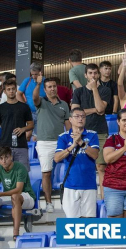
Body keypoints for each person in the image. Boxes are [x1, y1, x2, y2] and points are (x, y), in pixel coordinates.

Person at [71, 63, 111, 199]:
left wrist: (95, 89)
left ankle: (104, 198)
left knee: (101, 166)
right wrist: (94, 110)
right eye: (90, 73)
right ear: (85, 75)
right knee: (83, 166)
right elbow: (76, 113)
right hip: (83, 133)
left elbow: (101, 108)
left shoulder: (105, 90)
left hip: (100, 132)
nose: (93, 76)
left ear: (98, 74)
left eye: (95, 73)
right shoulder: (78, 92)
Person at [33, 74, 71, 213]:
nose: (52, 89)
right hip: (44, 143)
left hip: (61, 142)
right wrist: (37, 84)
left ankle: (68, 200)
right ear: (45, 89)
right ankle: (49, 203)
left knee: (70, 169)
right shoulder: (41, 102)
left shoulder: (64, 105)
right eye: (49, 87)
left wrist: (69, 140)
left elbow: (68, 124)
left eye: (54, 86)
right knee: (46, 173)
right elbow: (34, 98)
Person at [54, 108, 99, 218]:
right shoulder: (63, 137)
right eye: (77, 116)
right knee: (71, 222)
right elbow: (57, 158)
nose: (80, 119)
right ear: (70, 119)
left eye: (83, 116)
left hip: (89, 184)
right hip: (70, 185)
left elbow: (95, 155)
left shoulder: (92, 135)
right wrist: (73, 146)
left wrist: (81, 143)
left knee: (89, 223)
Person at [0, 146, 35, 241]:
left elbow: (18, 190)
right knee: (13, 197)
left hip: (26, 196)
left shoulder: (20, 167)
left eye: (6, 157)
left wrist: (1, 194)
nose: (4, 161)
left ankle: (16, 232)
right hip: (10, 197)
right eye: (1, 158)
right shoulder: (0, 168)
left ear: (11, 157)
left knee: (15, 196)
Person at [0, 79, 33, 172]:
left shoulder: (24, 107)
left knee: (23, 173)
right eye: (8, 89)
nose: (11, 91)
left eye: (13, 89)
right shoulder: (1, 108)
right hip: (4, 146)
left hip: (21, 145)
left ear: (16, 90)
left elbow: (31, 124)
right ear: (5, 91)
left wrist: (23, 129)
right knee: (5, 175)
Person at [16, 62, 45, 141]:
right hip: (30, 112)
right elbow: (18, 94)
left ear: (40, 72)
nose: (34, 76)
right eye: (32, 74)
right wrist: (25, 105)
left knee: (38, 136)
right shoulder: (27, 81)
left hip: (41, 113)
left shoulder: (45, 81)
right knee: (27, 135)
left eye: (36, 74)